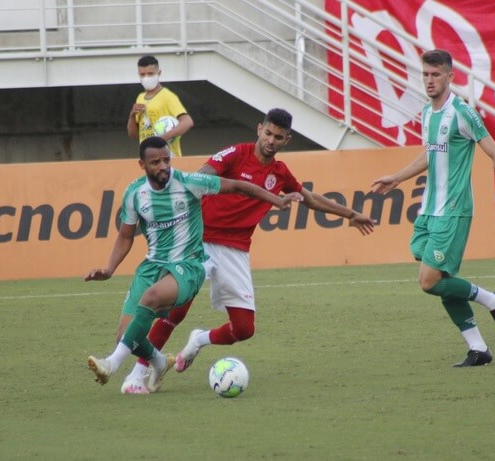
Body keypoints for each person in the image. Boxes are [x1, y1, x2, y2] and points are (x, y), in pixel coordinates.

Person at [117, 108, 377, 393]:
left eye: (278, 137)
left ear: (286, 140)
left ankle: (199, 340)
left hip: (236, 249)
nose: (271, 140)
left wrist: (351, 214)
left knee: (244, 329)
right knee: (176, 311)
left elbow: (310, 198)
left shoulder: (279, 173)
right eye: (268, 133)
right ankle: (138, 372)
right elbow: (202, 175)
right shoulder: (234, 154)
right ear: (259, 129)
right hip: (199, 242)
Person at [85, 136, 301, 392]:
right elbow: (125, 235)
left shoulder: (188, 182)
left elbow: (239, 186)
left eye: (167, 159)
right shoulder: (134, 193)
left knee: (152, 297)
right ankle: (158, 361)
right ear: (142, 164)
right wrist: (109, 269)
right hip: (152, 265)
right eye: (156, 162)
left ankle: (111, 363)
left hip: (187, 265)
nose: (163, 166)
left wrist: (276, 200)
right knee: (125, 336)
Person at [370, 49, 495, 367]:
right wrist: (397, 178)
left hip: (454, 209)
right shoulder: (428, 114)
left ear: (450, 77)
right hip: (429, 210)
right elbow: (429, 154)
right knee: (439, 280)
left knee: (428, 280)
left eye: (436, 74)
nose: (429, 80)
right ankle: (478, 348)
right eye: (425, 74)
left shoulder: (463, 113)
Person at [127, 55, 194, 157]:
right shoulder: (140, 98)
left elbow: (187, 122)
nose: (146, 78)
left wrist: (162, 138)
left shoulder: (167, 96)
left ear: (159, 73)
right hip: (148, 157)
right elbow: (135, 135)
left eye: (150, 74)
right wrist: (132, 115)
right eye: (142, 75)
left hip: (168, 155)